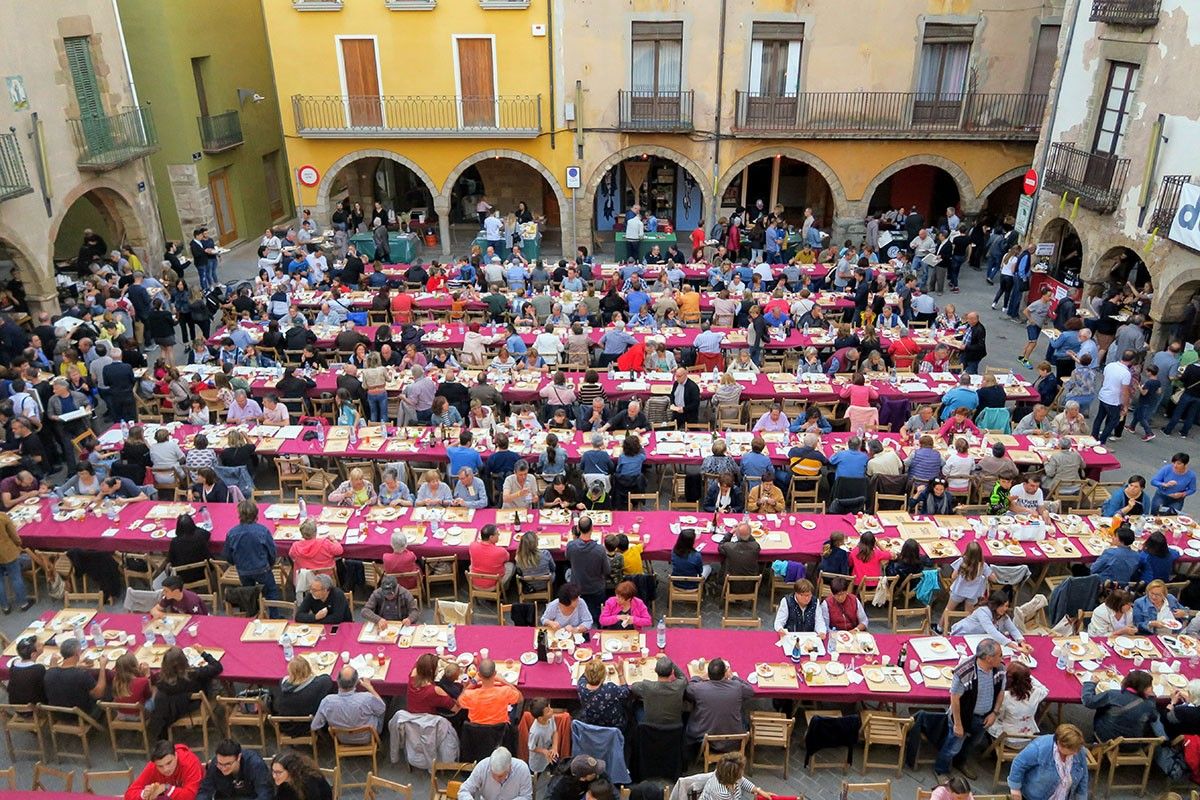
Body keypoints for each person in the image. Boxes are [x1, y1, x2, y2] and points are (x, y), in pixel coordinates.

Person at [935, 638, 1006, 783]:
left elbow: (1001, 691)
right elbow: (954, 698)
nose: (1002, 657)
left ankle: (960, 762)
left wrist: (994, 713)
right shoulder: (964, 672)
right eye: (1000, 655)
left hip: (985, 718)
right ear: (988, 658)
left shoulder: (1000, 668)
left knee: (972, 743)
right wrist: (958, 724)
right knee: (952, 745)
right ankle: (941, 770)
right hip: (964, 716)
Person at [684, 658, 754, 754]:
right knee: (741, 711)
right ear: (725, 673)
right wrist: (733, 676)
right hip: (734, 739)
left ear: (708, 674)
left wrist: (698, 677)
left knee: (689, 715)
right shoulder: (737, 687)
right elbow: (750, 691)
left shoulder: (699, 688)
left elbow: (688, 689)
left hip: (704, 737)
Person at [1006, 724, 1089, 800]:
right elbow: (1019, 763)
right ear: (1060, 744)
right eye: (1072, 750)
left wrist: (1081, 797)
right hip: (1035, 796)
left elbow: (1084, 775)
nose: (1075, 753)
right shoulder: (1040, 747)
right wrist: (1015, 788)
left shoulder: (1078, 750)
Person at [222, 500, 281, 606]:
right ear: (256, 514)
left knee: (248, 594)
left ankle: (252, 615)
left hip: (243, 570)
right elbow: (272, 552)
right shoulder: (263, 531)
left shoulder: (231, 533)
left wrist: (236, 564)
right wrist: (270, 564)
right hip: (262, 569)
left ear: (239, 515)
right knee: (271, 592)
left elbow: (227, 555)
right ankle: (274, 615)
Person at [1080, 669, 1164, 742]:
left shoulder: (1113, 695)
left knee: (1104, 709)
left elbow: (1088, 701)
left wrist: (1091, 684)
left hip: (1107, 738)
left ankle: (1096, 741)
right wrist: (1151, 697)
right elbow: (1154, 718)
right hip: (1133, 744)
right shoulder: (1149, 704)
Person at [311, 666, 386, 743]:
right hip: (368, 737)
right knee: (382, 701)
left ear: (337, 681)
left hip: (343, 739)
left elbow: (315, 726)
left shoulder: (327, 701)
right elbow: (382, 709)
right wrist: (370, 688)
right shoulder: (366, 698)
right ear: (356, 681)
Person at [44, 637, 108, 718]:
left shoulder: (49, 673)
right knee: (107, 690)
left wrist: (77, 665)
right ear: (77, 654)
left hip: (58, 715)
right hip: (82, 715)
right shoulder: (81, 674)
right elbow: (99, 694)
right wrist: (102, 667)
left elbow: (54, 667)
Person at [951, 590, 1032, 652]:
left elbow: (1013, 629)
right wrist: (1015, 647)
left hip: (978, 639)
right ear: (994, 605)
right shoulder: (983, 612)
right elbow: (992, 631)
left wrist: (1022, 642)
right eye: (1001, 606)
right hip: (962, 636)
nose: (1004, 609)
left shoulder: (1003, 616)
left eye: (1006, 606)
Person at [275, 657, 335, 736]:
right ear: (308, 669)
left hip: (286, 725)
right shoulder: (317, 685)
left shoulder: (282, 685)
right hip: (307, 724)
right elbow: (327, 679)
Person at [196, 739, 272, 800]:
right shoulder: (215, 764)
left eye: (228, 764)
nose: (223, 768)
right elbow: (205, 791)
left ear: (238, 757)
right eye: (220, 764)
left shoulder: (255, 764)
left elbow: (265, 794)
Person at [126, 741, 204, 800]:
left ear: (176, 756)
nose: (166, 769)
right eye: (160, 766)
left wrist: (165, 788)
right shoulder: (153, 766)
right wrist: (144, 794)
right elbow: (129, 794)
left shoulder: (190, 761)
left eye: (169, 763)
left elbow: (191, 795)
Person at [566, 517, 609, 619]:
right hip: (596, 588)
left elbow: (567, 557)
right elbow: (607, 570)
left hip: (577, 586)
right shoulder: (600, 550)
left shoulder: (571, 546)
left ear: (578, 529)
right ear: (592, 528)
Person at [459, 659, 523, 725]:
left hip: (477, 731)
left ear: (479, 675)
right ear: (495, 673)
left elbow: (460, 701)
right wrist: (503, 681)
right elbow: (520, 698)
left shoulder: (470, 695)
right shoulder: (505, 691)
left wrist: (474, 681)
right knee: (514, 704)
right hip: (500, 729)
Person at [457, 747, 532, 800]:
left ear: (509, 767)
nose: (496, 779)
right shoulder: (483, 766)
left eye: (500, 776)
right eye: (493, 774)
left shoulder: (522, 769)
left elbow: (526, 796)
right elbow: (464, 790)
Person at [630, 657, 686, 726]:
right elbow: (683, 677)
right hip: (675, 728)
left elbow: (633, 687)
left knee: (636, 705)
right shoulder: (679, 686)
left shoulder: (647, 686)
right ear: (672, 672)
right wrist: (669, 661)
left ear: (655, 670)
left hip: (651, 728)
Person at [577, 659, 630, 729]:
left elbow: (584, 676)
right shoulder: (610, 689)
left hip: (591, 724)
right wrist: (620, 673)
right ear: (604, 676)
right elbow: (625, 692)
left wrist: (593, 668)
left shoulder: (581, 685)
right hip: (613, 725)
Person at [698, 753, 773, 800]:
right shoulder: (722, 793)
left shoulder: (722, 772)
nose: (743, 772)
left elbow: (742, 781)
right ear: (733, 776)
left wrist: (758, 790)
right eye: (741, 770)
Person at [0, 509, 32, 612]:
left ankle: (5, 607)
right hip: (7, 551)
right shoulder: (2, 516)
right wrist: (18, 544)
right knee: (16, 577)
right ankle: (23, 603)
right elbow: (15, 536)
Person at [470, 523, 515, 591]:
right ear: (491, 537)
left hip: (475, 582)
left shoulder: (472, 545)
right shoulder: (500, 551)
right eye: (497, 534)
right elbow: (507, 558)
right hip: (493, 584)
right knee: (511, 565)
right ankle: (504, 589)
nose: (498, 535)